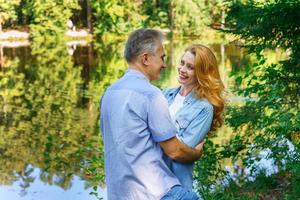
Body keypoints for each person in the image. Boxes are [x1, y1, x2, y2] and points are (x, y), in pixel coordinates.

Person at [100, 29, 204, 200]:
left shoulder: (108, 94)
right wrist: (196, 153)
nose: (164, 65)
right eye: (162, 57)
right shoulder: (151, 95)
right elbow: (175, 152)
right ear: (146, 58)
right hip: (156, 193)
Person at [163, 44, 225, 189]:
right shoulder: (164, 95)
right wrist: (195, 152)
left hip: (175, 186)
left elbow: (178, 152)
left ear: (202, 73)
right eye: (182, 63)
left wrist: (152, 133)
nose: (182, 69)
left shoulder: (204, 109)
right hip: (150, 183)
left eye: (190, 67)